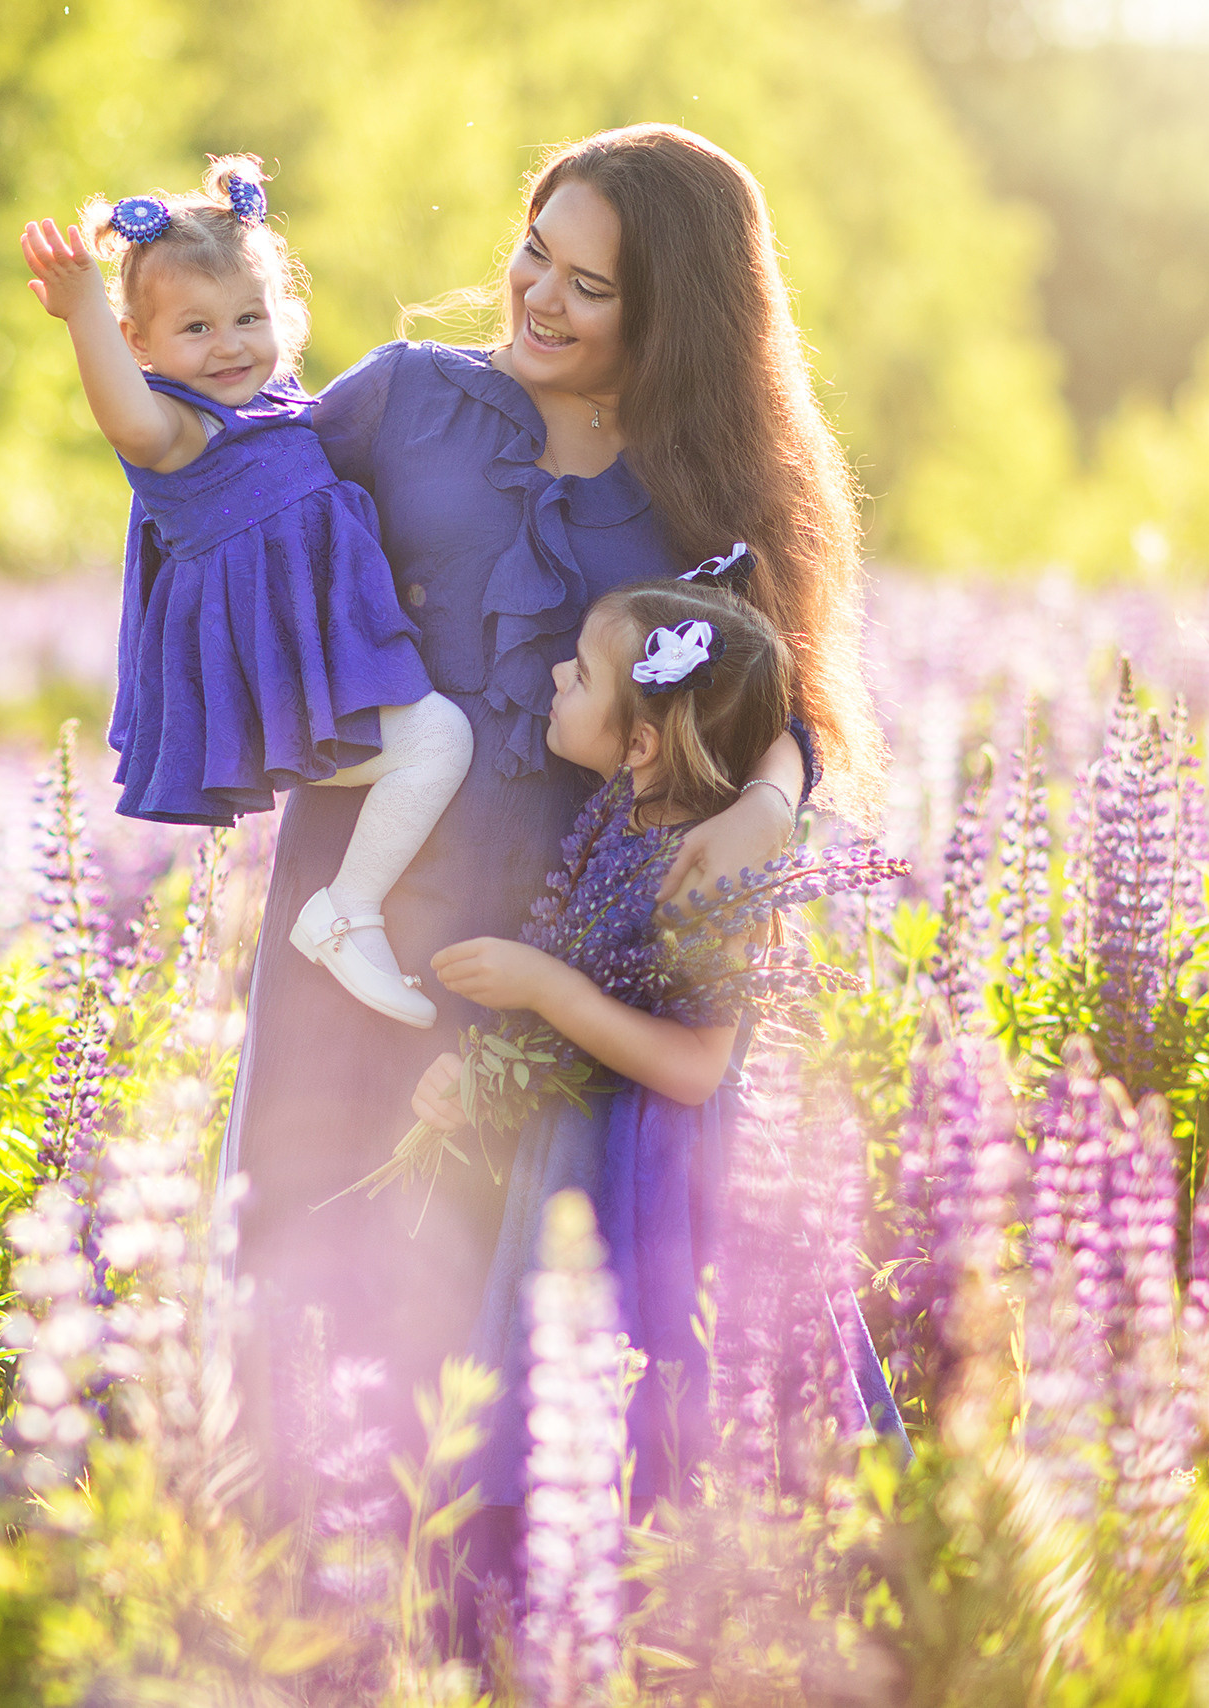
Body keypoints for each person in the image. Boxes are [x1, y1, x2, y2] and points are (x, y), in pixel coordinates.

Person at [220, 123, 888, 1457]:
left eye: (590, 286)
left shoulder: (715, 485)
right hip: (361, 924)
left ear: (675, 319)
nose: (538, 295)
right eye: (536, 253)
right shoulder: (406, 401)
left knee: (542, 1314)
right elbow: (232, 495)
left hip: (580, 937)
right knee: (323, 1261)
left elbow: (792, 713)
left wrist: (763, 807)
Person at [415, 566, 903, 1518]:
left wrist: (542, 985)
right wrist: (478, 1076)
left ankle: (685, 1575)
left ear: (639, 740)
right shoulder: (621, 815)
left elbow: (695, 1066)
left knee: (677, 1374)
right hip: (587, 1146)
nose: (558, 677)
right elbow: (585, 1006)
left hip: (669, 1174)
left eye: (582, 678)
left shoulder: (703, 871)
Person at [22, 156, 475, 1028]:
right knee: (439, 741)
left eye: (248, 317)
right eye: (195, 327)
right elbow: (126, 420)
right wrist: (83, 314)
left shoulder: (273, 404)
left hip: (313, 667)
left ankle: (356, 905)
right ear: (139, 344)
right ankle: (347, 910)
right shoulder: (180, 427)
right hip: (268, 685)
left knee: (434, 742)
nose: (229, 344)